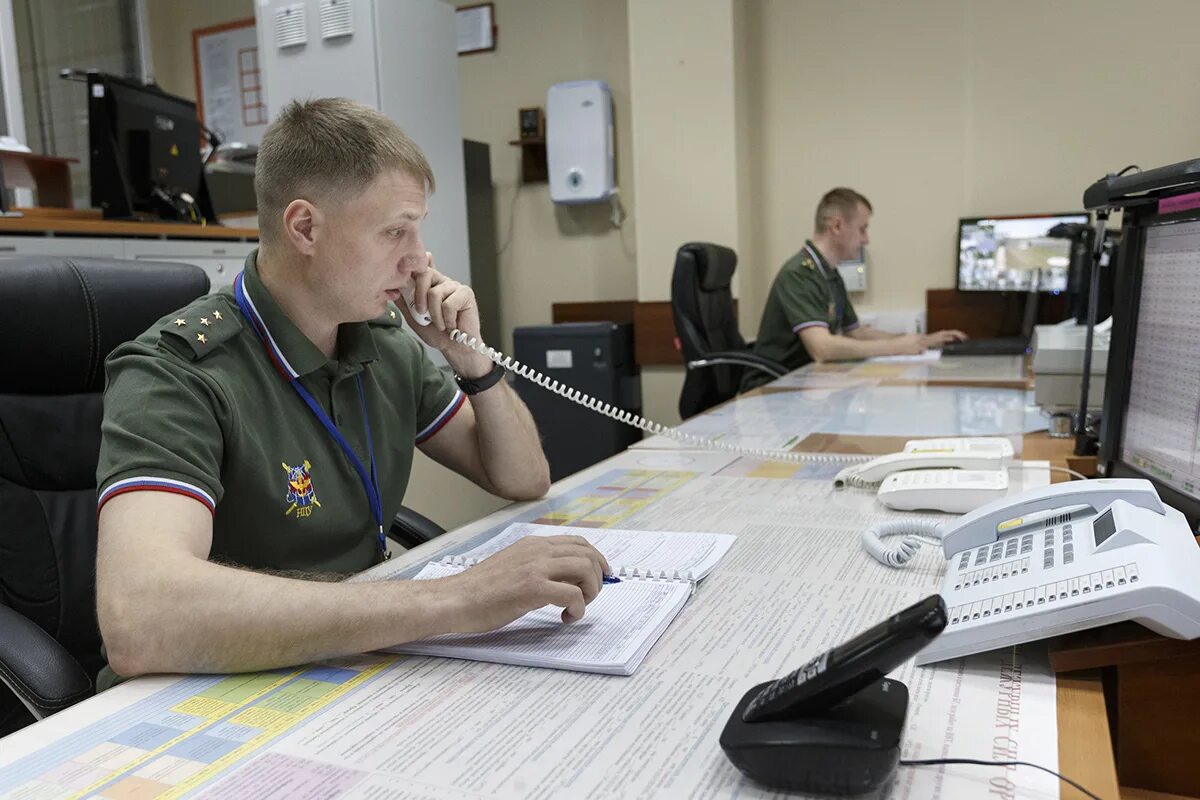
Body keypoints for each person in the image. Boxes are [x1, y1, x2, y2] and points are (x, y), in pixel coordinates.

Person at [94, 98, 610, 682]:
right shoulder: (177, 372)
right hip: (218, 687)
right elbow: (140, 620)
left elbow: (522, 478)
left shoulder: (382, 343)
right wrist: (458, 599)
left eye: (418, 231)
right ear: (305, 228)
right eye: (395, 232)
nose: (420, 261)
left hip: (354, 659)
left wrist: (472, 361)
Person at [741, 188, 967, 391]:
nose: (866, 239)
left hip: (806, 383)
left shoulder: (830, 275)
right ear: (837, 226)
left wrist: (921, 341)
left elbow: (856, 331)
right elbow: (822, 348)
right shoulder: (799, 273)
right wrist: (895, 347)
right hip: (773, 387)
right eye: (862, 229)